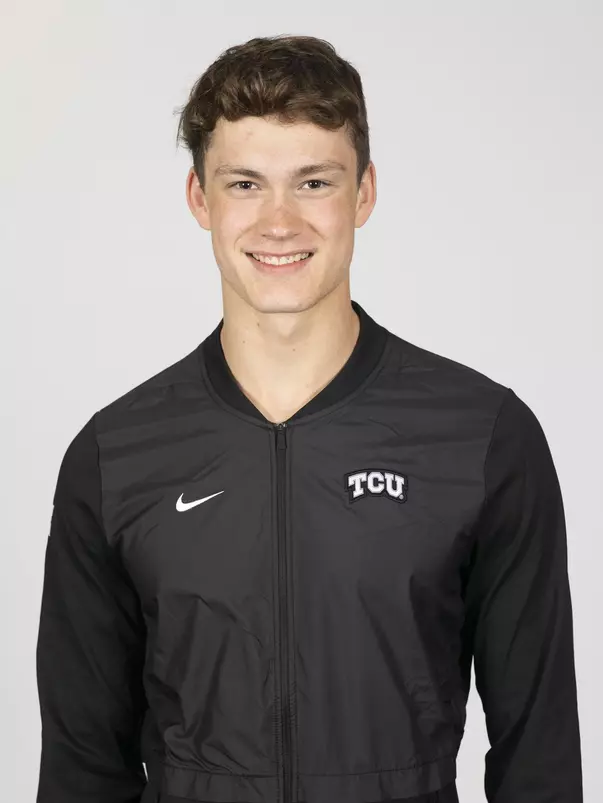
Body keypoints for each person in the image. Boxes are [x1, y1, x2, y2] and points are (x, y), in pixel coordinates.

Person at [35, 34, 583, 803]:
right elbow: (81, 767)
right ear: (200, 198)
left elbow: (539, 757)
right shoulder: (117, 455)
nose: (279, 222)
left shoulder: (481, 436)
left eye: (314, 182)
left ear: (363, 193)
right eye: (245, 184)